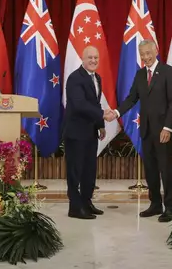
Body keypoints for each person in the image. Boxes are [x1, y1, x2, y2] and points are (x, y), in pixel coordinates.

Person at [105, 39, 172, 222]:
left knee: (166, 169)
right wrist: (115, 112)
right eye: (142, 54)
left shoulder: (168, 72)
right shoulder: (140, 75)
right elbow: (131, 98)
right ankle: (155, 205)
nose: (145, 57)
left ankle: (171, 208)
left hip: (163, 130)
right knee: (151, 170)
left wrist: (167, 127)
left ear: (156, 51)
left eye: (148, 53)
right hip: (146, 130)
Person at [62, 45, 106, 220]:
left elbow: (95, 104)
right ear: (82, 58)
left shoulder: (97, 78)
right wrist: (103, 114)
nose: (93, 60)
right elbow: (80, 104)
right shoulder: (75, 78)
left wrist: (101, 124)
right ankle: (75, 207)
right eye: (90, 57)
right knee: (75, 171)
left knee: (89, 170)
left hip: (90, 132)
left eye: (96, 57)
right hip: (75, 132)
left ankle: (86, 202)